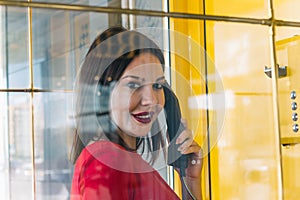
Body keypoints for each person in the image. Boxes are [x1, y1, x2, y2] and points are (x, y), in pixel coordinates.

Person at [70, 26, 203, 200]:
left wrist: (191, 181)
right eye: (133, 85)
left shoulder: (123, 162)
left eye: (157, 85)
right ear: (102, 92)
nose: (152, 100)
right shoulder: (109, 162)